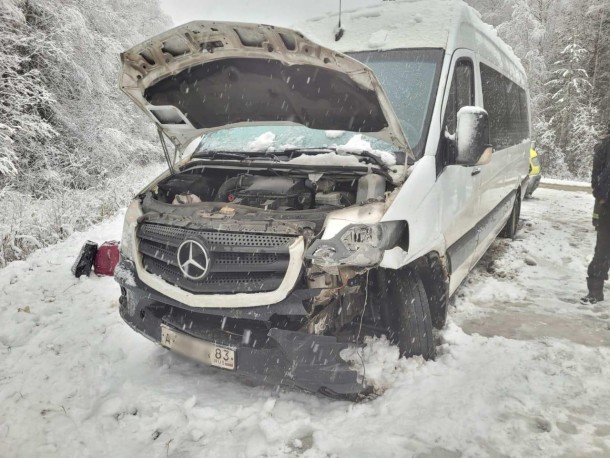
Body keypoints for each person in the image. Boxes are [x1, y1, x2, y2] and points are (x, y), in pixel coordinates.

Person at [581, 122, 610, 304]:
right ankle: (595, 291)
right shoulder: (604, 146)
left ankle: (595, 290)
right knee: (603, 249)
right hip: (607, 206)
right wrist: (600, 197)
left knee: (603, 249)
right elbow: (597, 175)